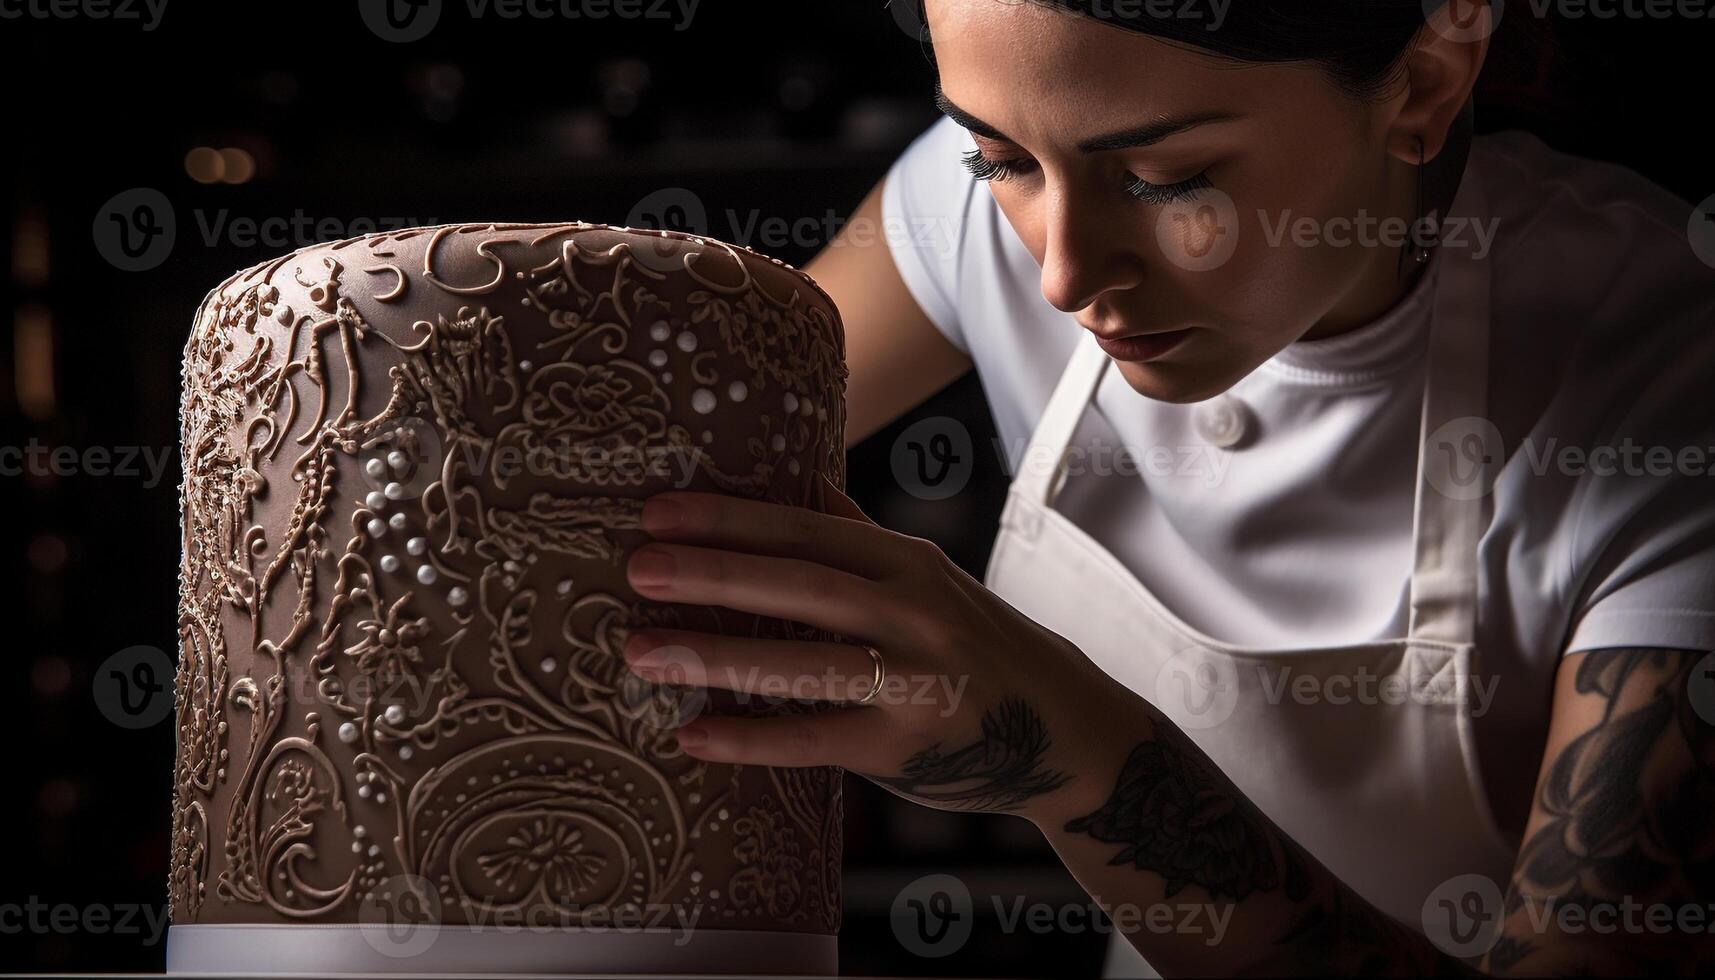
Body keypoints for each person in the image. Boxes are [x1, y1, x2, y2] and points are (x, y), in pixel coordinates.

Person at [618, 1, 1715, 973]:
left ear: (1425, 81)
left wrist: (1076, 755)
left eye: (1163, 177)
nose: (1061, 273)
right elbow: (625, 472)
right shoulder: (980, 224)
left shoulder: (1669, 370)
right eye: (995, 160)